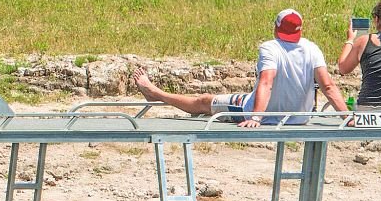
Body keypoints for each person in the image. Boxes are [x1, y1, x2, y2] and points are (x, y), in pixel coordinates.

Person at [131, 9, 346, 125]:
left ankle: (156, 93)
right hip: (300, 118)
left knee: (204, 101)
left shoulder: (270, 47)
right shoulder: (312, 48)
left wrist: (254, 117)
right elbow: (328, 86)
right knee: (232, 97)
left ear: (276, 27)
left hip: (265, 114)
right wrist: (346, 117)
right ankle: (157, 94)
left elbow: (266, 82)